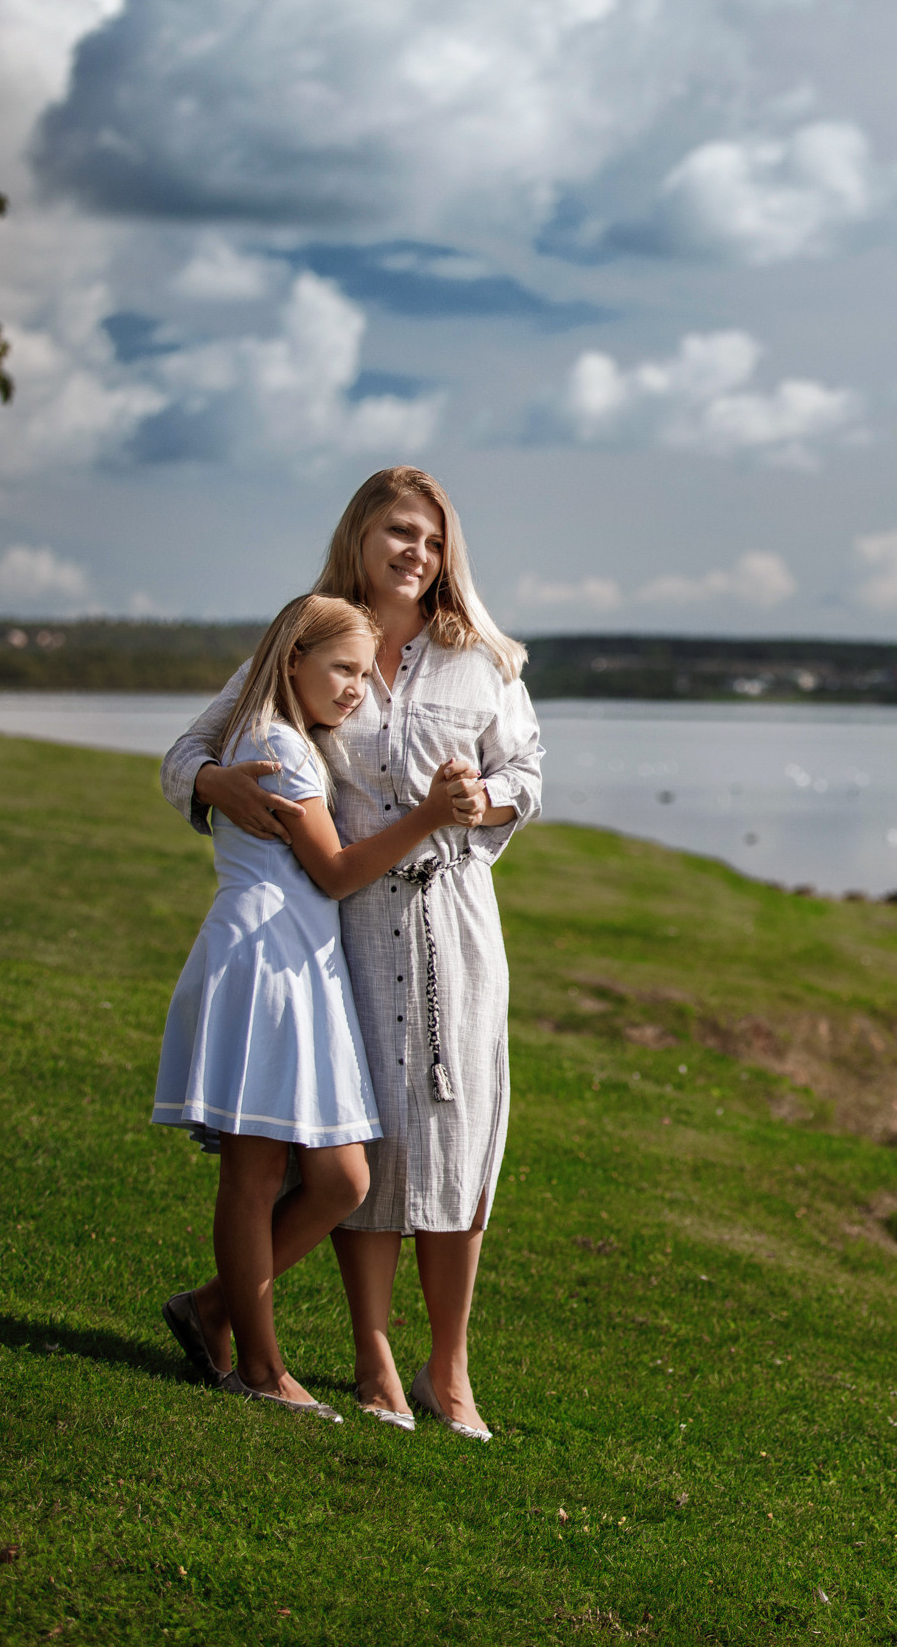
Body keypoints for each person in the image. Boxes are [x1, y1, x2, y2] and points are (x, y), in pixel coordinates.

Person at [162, 468, 542, 1441]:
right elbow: (184, 755)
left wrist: (481, 802)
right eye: (396, 531)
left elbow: (527, 776)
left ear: (447, 550)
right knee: (367, 1136)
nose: (414, 551)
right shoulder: (317, 636)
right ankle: (373, 1358)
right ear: (361, 535)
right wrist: (216, 781)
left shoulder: (482, 659)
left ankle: (446, 1370)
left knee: (457, 1141)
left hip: (454, 913)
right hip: (350, 920)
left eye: (430, 536)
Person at [154, 593, 475, 1420]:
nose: (355, 690)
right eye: (340, 669)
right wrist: (431, 817)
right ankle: (259, 1367)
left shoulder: (295, 740)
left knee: (340, 1176)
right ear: (292, 657)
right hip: (263, 960)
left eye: (365, 675)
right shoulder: (273, 747)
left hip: (303, 963)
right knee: (256, 1173)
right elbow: (334, 872)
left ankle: (214, 1307)